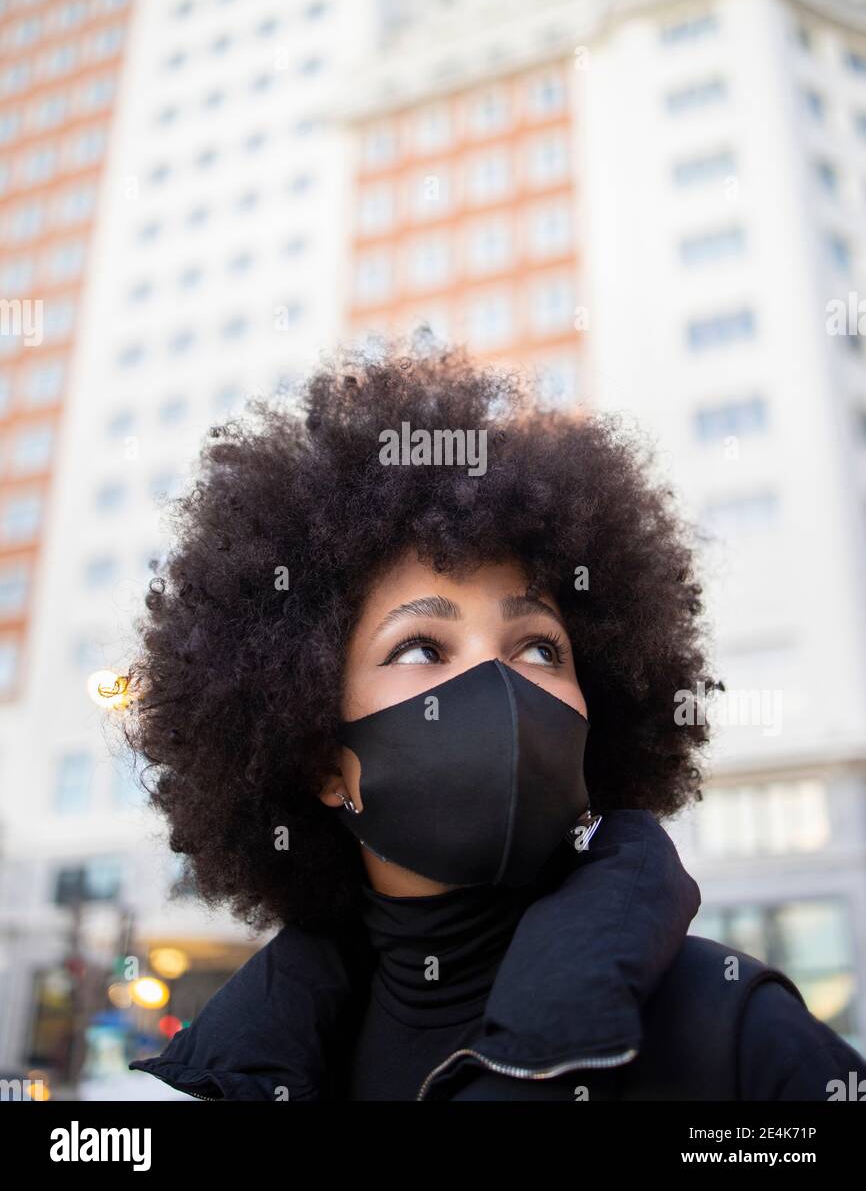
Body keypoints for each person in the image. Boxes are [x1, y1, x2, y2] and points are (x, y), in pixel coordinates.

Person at [122, 336, 866, 1101]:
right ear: (319, 759)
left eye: (541, 649)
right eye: (420, 647)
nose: (499, 687)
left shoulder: (732, 1034)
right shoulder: (250, 1071)